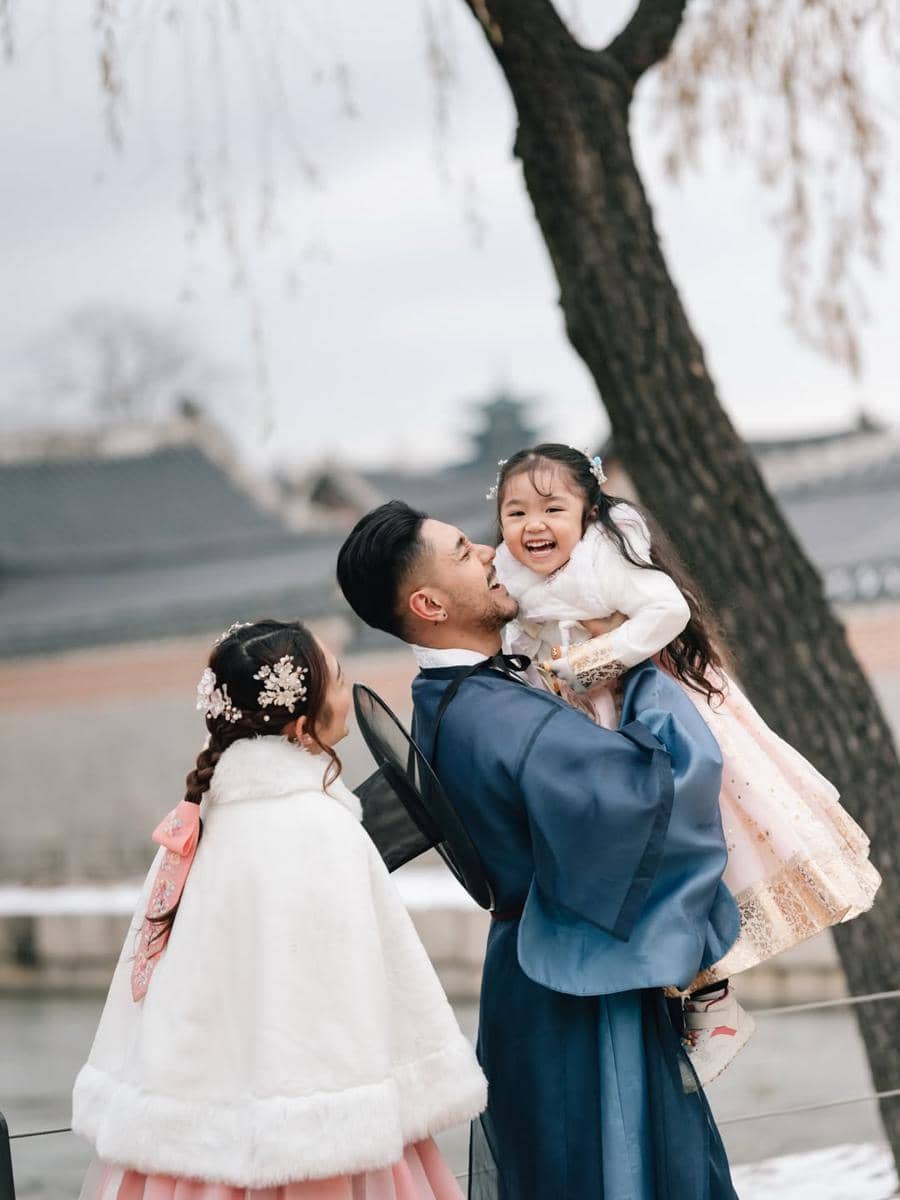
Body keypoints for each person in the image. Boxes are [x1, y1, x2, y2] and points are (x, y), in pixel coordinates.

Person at [337, 503, 742, 1200]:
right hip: (579, 989)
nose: (494, 552)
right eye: (464, 551)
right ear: (428, 603)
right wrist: (637, 663)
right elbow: (653, 795)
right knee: (621, 1172)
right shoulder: (499, 715)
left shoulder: (449, 700)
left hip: (538, 979)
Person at [491, 444, 881, 1082]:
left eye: (552, 507)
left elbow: (669, 610)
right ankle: (695, 1001)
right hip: (596, 726)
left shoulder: (603, 558)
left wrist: (597, 656)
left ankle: (714, 1004)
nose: (534, 525)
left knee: (697, 849)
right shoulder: (511, 574)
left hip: (659, 718)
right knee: (645, 864)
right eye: (516, 511)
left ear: (588, 510)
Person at [72, 619, 485, 1200]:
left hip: (191, 1129)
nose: (348, 692)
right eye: (339, 680)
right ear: (299, 727)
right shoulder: (317, 824)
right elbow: (353, 981)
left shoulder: (201, 819)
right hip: (324, 1125)